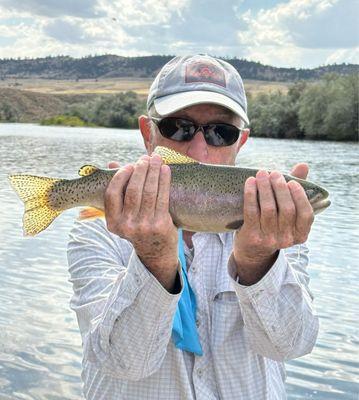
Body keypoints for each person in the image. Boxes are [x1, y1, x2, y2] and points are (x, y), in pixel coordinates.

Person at [67, 55, 319, 399]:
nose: (199, 148)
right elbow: (122, 362)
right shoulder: (102, 230)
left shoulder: (276, 224)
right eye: (179, 127)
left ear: (241, 141)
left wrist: (259, 261)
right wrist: (153, 259)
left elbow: (289, 345)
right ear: (147, 132)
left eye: (221, 132)